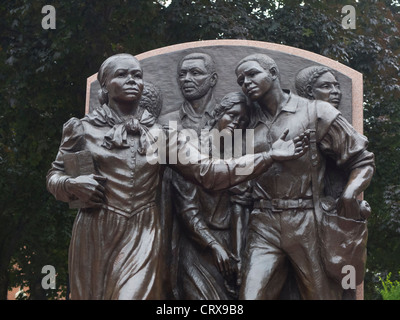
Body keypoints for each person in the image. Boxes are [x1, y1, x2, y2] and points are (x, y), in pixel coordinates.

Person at [46, 53, 310, 300]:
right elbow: (55, 177)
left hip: (143, 232)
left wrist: (269, 157)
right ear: (104, 86)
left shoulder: (162, 136)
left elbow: (209, 173)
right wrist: (71, 184)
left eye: (137, 76)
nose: (132, 81)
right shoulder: (81, 129)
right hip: (95, 232)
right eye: (122, 75)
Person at [235, 53, 375, 300]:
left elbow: (362, 160)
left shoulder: (315, 112)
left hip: (307, 220)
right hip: (262, 223)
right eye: (240, 79)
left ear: (274, 73)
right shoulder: (246, 124)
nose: (246, 82)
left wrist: (350, 194)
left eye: (252, 74)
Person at [172, 92, 251, 299]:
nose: (236, 123)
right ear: (218, 113)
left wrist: (237, 254)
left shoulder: (241, 152)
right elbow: (187, 208)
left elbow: (239, 205)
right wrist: (213, 245)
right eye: (232, 115)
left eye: (243, 121)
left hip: (229, 240)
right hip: (196, 243)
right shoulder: (191, 147)